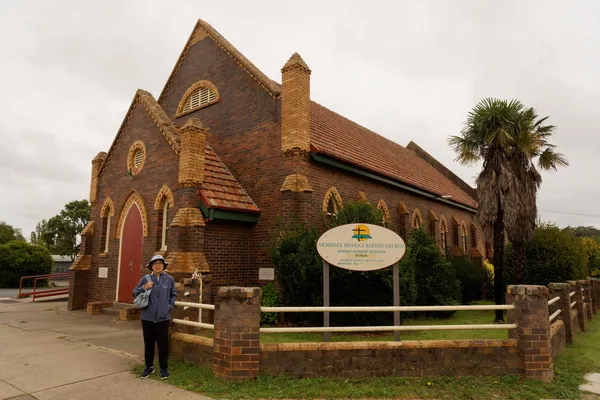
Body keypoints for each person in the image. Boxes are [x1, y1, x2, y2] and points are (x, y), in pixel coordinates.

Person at [132, 254, 177, 379]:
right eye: (155, 263)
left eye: (160, 263)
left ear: (163, 266)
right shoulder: (146, 278)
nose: (158, 265)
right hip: (147, 317)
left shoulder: (169, 279)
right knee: (149, 343)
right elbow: (134, 292)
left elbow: (173, 294)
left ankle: (164, 368)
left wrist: (168, 307)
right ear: (151, 266)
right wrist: (144, 287)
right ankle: (149, 367)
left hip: (163, 318)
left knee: (163, 344)